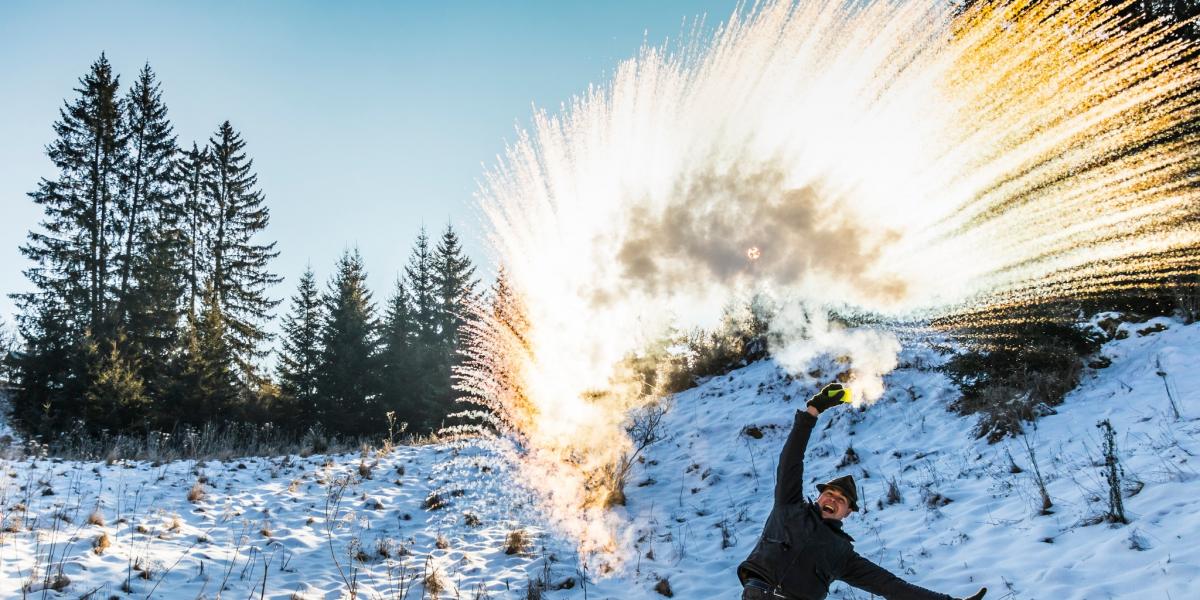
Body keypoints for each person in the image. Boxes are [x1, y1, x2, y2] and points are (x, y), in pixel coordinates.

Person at [737, 383, 987, 600]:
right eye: (829, 494)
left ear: (847, 513)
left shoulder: (842, 553)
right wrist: (813, 410)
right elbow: (791, 459)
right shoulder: (789, 506)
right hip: (759, 591)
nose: (832, 499)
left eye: (841, 500)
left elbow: (890, 586)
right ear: (819, 497)